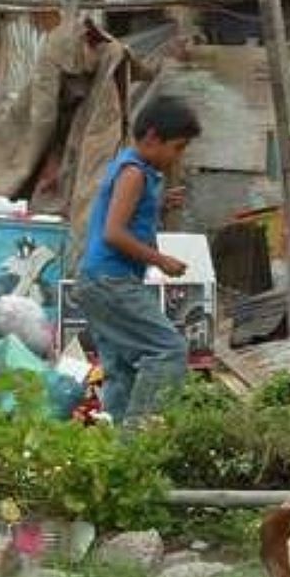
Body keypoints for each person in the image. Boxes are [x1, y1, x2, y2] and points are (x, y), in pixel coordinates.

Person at [74, 95, 201, 426]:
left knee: (122, 369)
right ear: (152, 138)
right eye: (178, 147)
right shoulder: (134, 173)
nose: (178, 157)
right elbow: (114, 233)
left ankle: (118, 452)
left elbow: (121, 217)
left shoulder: (133, 167)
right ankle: (143, 435)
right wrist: (161, 260)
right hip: (110, 280)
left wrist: (156, 208)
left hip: (96, 281)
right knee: (167, 350)